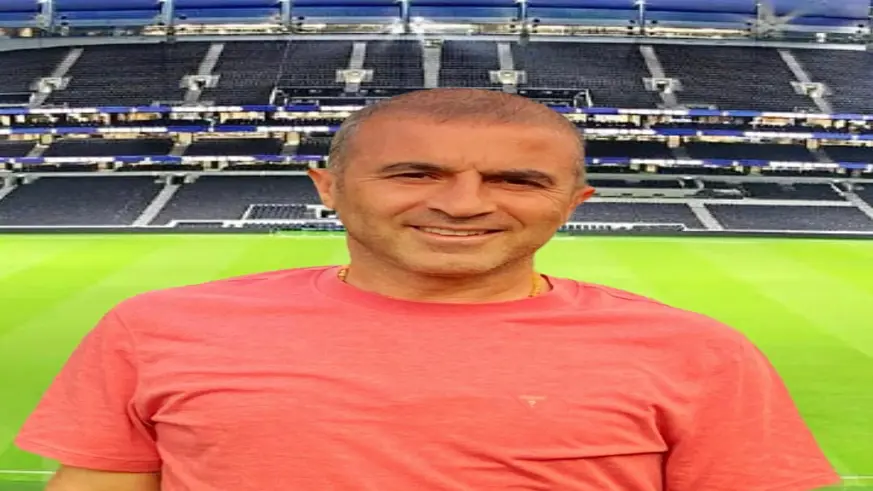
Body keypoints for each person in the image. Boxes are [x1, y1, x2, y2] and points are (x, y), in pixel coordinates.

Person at [17, 88, 840, 491]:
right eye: (414, 172)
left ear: (572, 202)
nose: (464, 203)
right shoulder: (155, 327)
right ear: (328, 187)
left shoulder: (698, 351)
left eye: (517, 179)